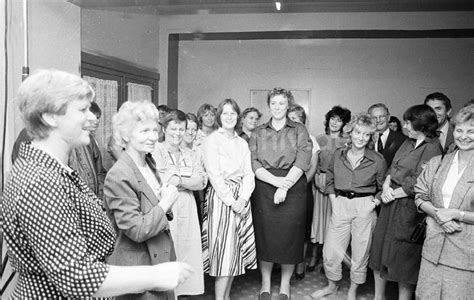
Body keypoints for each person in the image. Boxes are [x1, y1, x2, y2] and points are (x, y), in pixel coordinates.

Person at [2, 70, 192, 298]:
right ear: (50, 117)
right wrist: (156, 276)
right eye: (82, 110)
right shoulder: (40, 181)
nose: (92, 118)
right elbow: (77, 276)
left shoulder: (53, 170)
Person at [104, 100, 188, 300]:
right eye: (144, 131)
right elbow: (136, 230)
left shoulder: (148, 162)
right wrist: (166, 202)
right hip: (138, 272)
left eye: (154, 130)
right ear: (125, 135)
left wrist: (164, 202)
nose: (153, 137)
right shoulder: (119, 174)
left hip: (159, 265)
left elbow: (155, 210)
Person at [369, 104, 443, 300]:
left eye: (409, 122)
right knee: (380, 251)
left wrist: (393, 193)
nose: (405, 125)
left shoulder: (433, 147)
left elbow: (420, 180)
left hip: (408, 208)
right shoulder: (408, 141)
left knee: (404, 261)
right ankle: (378, 297)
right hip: (389, 202)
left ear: (421, 125)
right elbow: (392, 167)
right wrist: (386, 186)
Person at [311, 114, 386, 300]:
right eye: (358, 132)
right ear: (351, 132)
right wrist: (334, 202)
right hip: (340, 203)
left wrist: (373, 203)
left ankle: (353, 291)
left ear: (371, 137)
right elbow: (329, 179)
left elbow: (384, 186)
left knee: (360, 253)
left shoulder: (377, 160)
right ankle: (332, 287)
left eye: (366, 135)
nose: (361, 138)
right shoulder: (338, 155)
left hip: (365, 206)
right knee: (330, 252)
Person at [249, 88, 313, 300]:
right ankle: (265, 283)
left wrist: (284, 186)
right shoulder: (258, 131)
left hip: (293, 186)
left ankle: (285, 285)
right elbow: (254, 161)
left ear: (288, 105)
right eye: (274, 103)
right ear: (269, 105)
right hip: (265, 186)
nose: (277, 107)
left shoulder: (299, 129)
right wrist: (276, 182)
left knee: (290, 238)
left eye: (282, 103)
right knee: (265, 236)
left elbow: (304, 158)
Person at [414, 105, 474, 299]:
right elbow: (420, 195)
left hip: (465, 256)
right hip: (432, 249)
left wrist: (456, 214)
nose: (464, 136)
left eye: (471, 131)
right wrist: (438, 214)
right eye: (459, 130)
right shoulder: (438, 161)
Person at [201, 98, 257, 300]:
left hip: (241, 199)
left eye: (233, 113)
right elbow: (214, 176)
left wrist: (243, 198)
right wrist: (232, 202)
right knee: (224, 255)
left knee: (235, 253)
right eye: (225, 113)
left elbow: (249, 173)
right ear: (219, 117)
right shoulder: (211, 141)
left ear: (238, 117)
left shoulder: (242, 143)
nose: (229, 117)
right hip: (222, 200)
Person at [153, 110, 207, 296]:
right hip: (166, 206)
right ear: (164, 129)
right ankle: (169, 294)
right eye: (173, 129)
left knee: (188, 249)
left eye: (181, 129)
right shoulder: (156, 150)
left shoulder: (189, 153)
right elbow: (162, 178)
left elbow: (200, 181)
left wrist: (180, 181)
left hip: (188, 206)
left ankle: (185, 292)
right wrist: (187, 181)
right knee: (168, 249)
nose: (177, 133)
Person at [309, 105, 351, 272]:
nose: (335, 123)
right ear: (328, 120)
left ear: (344, 123)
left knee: (332, 224)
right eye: (333, 118)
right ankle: (313, 256)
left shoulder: (347, 141)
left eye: (339, 120)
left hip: (337, 188)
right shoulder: (319, 139)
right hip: (318, 185)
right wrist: (318, 178)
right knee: (317, 221)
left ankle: (329, 260)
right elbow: (313, 162)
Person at [287, 104, 320, 280]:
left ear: (303, 122)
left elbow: (312, 168)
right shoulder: (281, 138)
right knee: (284, 229)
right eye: (290, 119)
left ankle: (300, 266)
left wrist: (295, 185)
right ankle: (283, 263)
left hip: (301, 189)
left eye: (296, 119)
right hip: (283, 188)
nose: (293, 122)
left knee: (302, 229)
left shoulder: (311, 139)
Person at [69, 101, 107, 200]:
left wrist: (99, 196)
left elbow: (100, 172)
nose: (96, 121)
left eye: (98, 117)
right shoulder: (66, 139)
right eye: (92, 117)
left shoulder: (91, 140)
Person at [368, 103, 406, 168]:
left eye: (382, 116)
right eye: (374, 117)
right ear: (369, 119)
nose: (378, 120)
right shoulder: (365, 139)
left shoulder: (401, 139)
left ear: (388, 117)